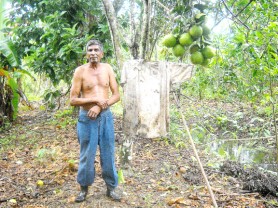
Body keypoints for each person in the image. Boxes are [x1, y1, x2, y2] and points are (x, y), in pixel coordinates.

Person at [70, 39, 121, 202]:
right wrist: (92, 102)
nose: (93, 53)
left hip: (105, 117)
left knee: (108, 152)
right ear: (86, 54)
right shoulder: (80, 71)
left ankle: (111, 188)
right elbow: (73, 99)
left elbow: (116, 95)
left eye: (96, 50)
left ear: (102, 53)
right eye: (90, 50)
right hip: (87, 119)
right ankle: (83, 189)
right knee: (87, 154)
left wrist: (99, 106)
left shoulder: (107, 69)